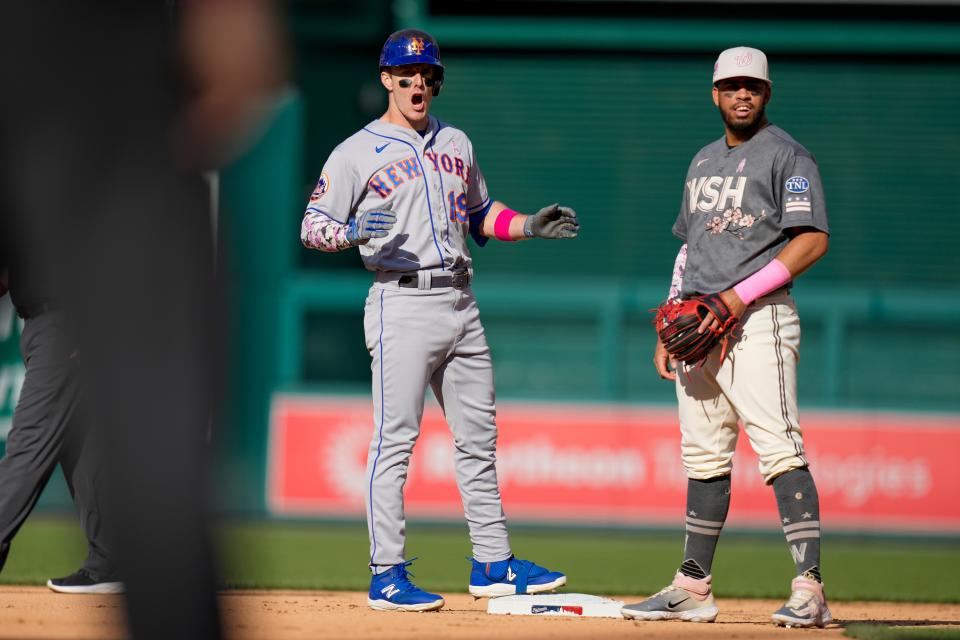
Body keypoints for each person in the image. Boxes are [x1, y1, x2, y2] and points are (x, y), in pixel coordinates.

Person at [0, 2, 286, 637]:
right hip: (76, 249)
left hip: (86, 268)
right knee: (95, 449)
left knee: (42, 446)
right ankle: (108, 559)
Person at [301, 29, 579, 612]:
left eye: (428, 73)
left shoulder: (457, 141)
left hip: (460, 301)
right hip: (400, 301)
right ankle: (387, 574)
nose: (419, 83)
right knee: (393, 444)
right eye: (407, 74)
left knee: (479, 441)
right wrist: (349, 232)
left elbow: (479, 214)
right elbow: (312, 225)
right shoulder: (356, 151)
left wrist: (527, 223)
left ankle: (493, 562)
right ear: (386, 79)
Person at [621, 47, 831, 628]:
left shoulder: (787, 155)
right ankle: (692, 587)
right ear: (715, 94)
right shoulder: (702, 162)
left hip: (757, 318)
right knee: (704, 455)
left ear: (767, 94)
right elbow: (690, 247)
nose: (743, 95)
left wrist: (737, 297)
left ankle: (809, 589)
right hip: (699, 328)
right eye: (732, 86)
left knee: (780, 447)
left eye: (753, 87)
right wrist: (671, 315)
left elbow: (811, 240)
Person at [0, 269, 121, 594]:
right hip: (50, 325)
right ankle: (110, 563)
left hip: (67, 323)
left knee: (28, 447)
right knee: (84, 450)